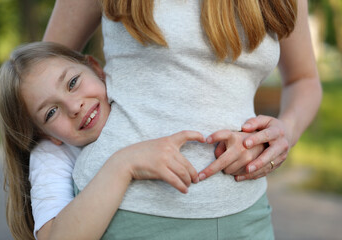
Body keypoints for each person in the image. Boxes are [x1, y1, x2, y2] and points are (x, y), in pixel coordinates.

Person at [44, 0, 321, 239]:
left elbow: (303, 81)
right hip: (124, 216)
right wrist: (49, 206)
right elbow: (38, 82)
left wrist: (283, 131)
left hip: (245, 217)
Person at [0, 41, 207, 240]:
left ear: (96, 69)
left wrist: (239, 138)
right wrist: (123, 164)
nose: (74, 107)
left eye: (73, 83)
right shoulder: (51, 154)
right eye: (51, 112)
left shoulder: (136, 94)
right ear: (45, 135)